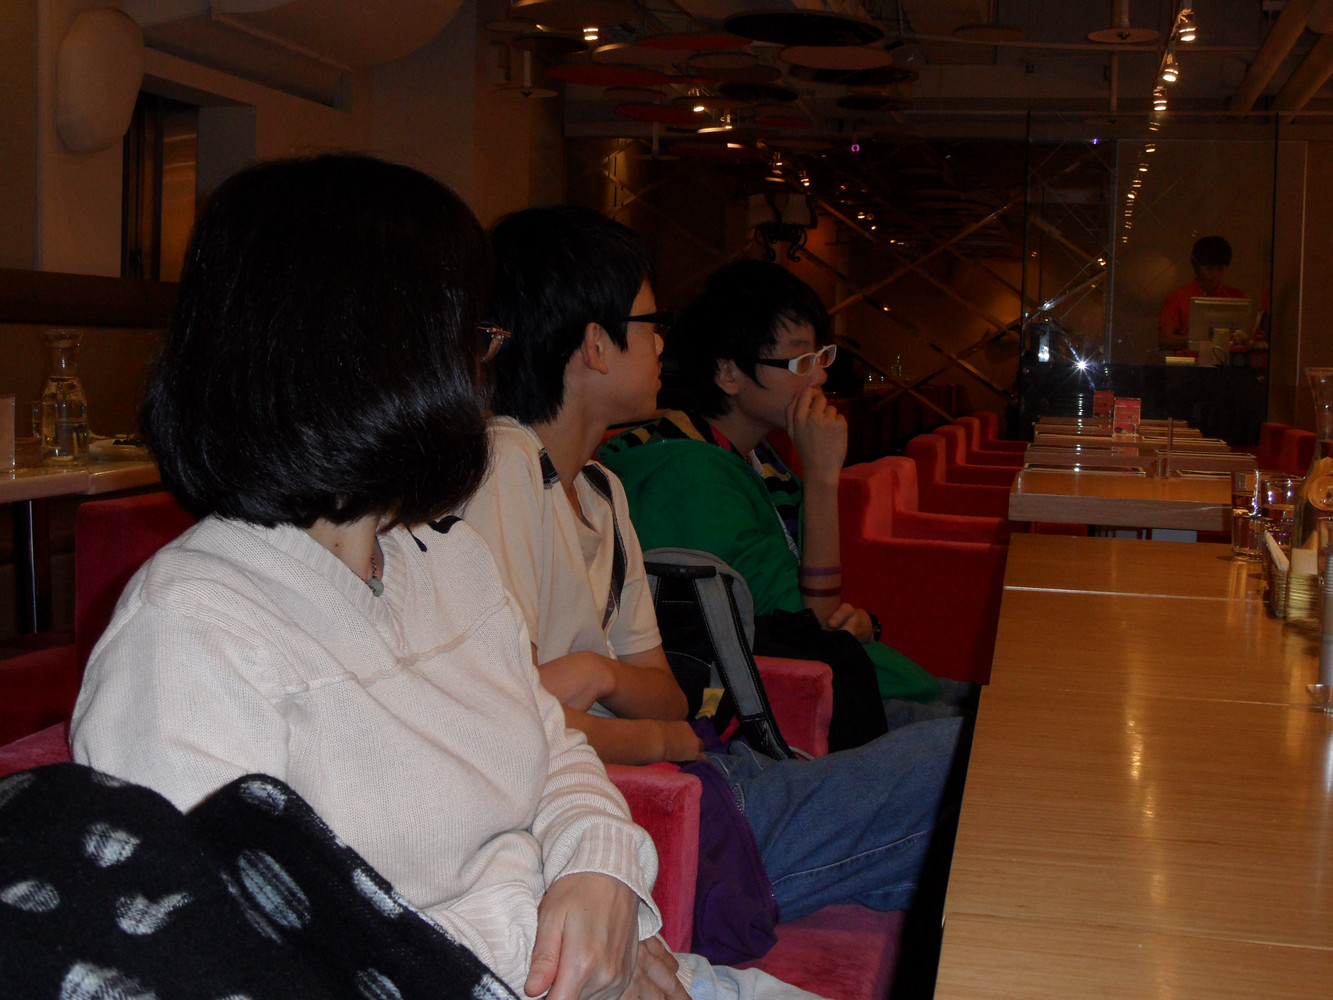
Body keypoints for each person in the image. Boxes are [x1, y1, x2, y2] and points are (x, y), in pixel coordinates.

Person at [69, 155, 818, 1000]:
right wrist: (550, 946)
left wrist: (601, 878)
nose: (482, 375)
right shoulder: (190, 633)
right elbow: (244, 959)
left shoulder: (443, 556)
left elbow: (553, 750)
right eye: (471, 340)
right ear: (365, 359)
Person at [458, 206, 963, 947]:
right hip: (637, 817)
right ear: (595, 344)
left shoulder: (601, 488)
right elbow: (509, 725)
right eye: (650, 322)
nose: (664, 343)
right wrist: (663, 739)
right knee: (969, 761)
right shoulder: (503, 468)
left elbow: (664, 689)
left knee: (966, 813)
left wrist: (603, 676)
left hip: (704, 780)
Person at [598, 260, 972, 734]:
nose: (818, 378)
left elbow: (817, 620)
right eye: (799, 363)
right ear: (727, 373)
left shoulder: (754, 457)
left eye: (821, 356)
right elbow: (806, 633)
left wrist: (859, 625)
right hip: (794, 709)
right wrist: (823, 478)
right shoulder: (691, 478)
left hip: (859, 679)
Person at [1158, 235, 1245, 352]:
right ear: (1197, 266)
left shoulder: (1237, 297)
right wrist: (1198, 340)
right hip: (1190, 362)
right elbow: (1165, 340)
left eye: (1220, 268)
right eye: (1209, 268)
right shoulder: (1177, 297)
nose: (1214, 274)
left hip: (1226, 361)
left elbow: (1245, 338)